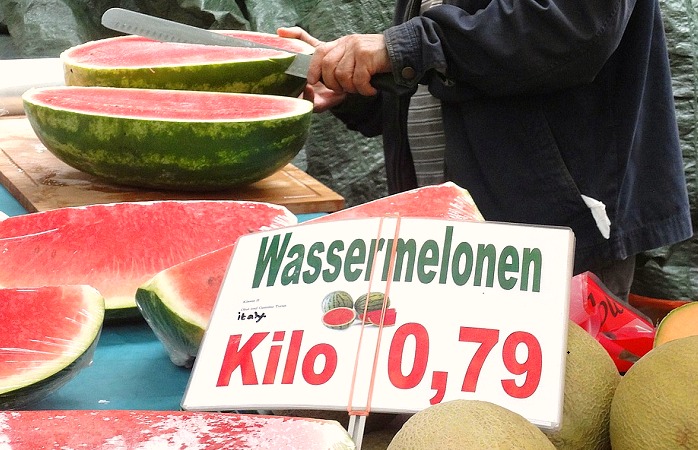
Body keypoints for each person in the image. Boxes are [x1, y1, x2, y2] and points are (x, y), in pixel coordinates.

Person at [278, 0, 693, 301]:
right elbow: (447, 77)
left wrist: (404, 47)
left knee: (553, 416)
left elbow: (578, 26)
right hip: (449, 241)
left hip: (553, 231)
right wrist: (355, 83)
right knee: (459, 417)